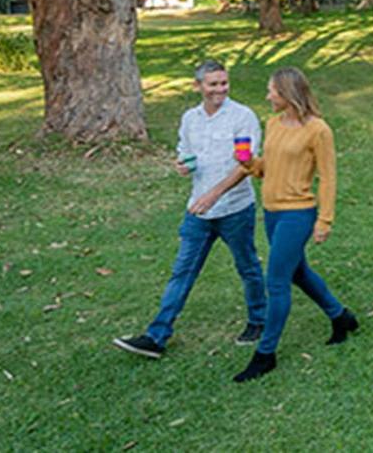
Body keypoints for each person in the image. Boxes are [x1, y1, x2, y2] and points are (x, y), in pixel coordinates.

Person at [190, 66, 357, 382]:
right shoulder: (274, 123)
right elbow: (270, 166)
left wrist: (325, 220)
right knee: (298, 272)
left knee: (277, 280)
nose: (267, 96)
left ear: (288, 94)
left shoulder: (318, 130)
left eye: (272, 91)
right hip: (272, 211)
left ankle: (265, 354)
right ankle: (341, 317)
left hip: (298, 213)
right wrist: (250, 164)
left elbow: (329, 178)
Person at [112, 60, 266, 358]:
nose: (220, 89)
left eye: (224, 83)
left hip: (235, 209)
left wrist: (214, 194)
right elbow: (185, 150)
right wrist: (182, 163)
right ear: (198, 86)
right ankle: (156, 337)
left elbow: (246, 165)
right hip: (198, 210)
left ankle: (259, 321)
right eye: (213, 84)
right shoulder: (190, 119)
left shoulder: (243, 116)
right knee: (182, 271)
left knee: (247, 266)